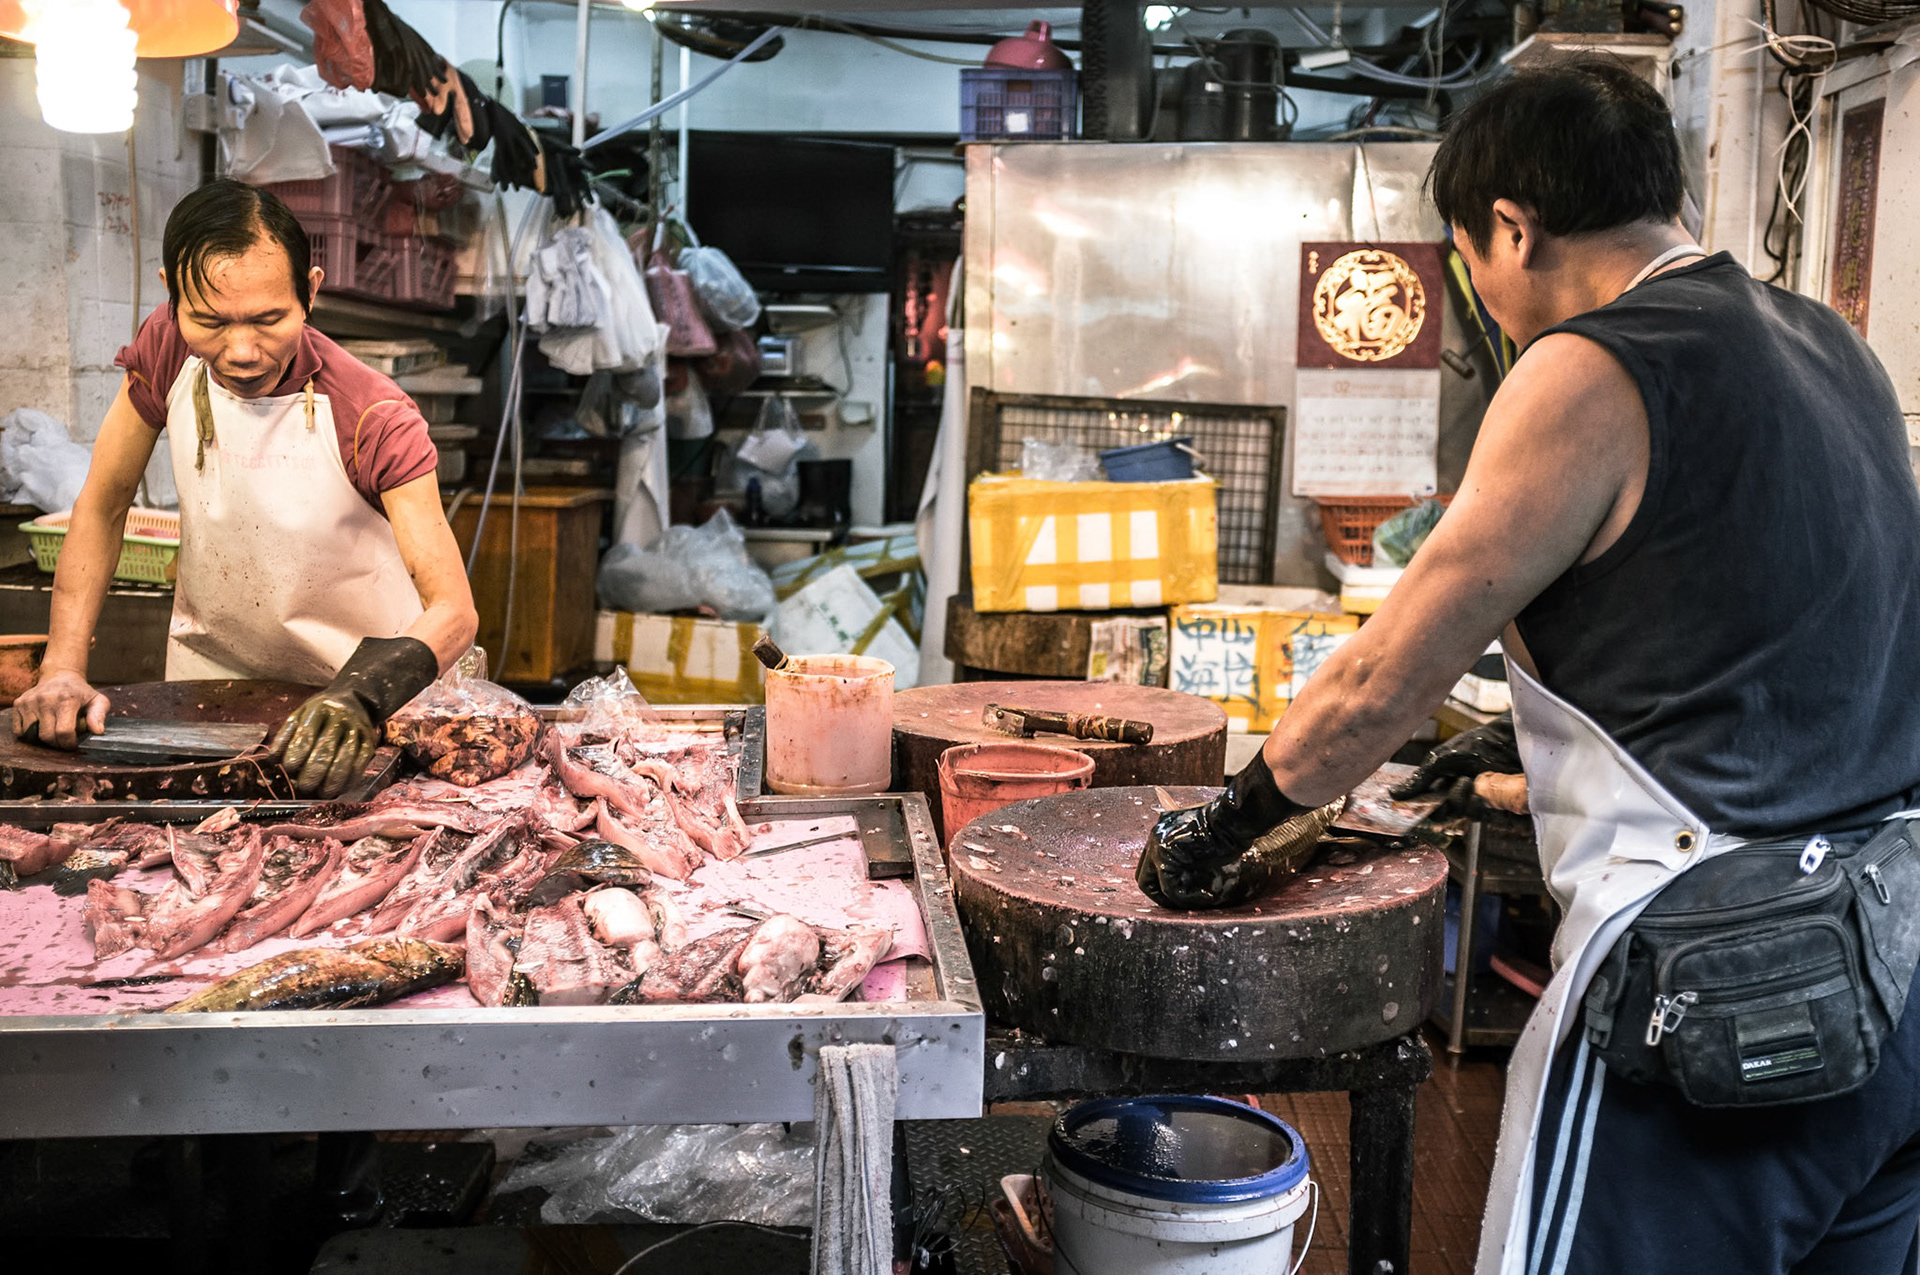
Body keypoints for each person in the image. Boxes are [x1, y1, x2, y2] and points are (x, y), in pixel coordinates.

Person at [1137, 58, 1920, 1273]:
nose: (1486, 297)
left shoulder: (1590, 366)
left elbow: (1381, 681)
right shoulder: (1829, 342)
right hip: (1894, 951)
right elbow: (1782, 627)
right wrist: (1547, 731)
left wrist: (1231, 823)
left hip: (1717, 974)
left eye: (1470, 260)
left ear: (1513, 226)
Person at [8, 180, 478, 797]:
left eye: (268, 319)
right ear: (172, 295)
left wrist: (362, 696)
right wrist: (62, 668)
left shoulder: (374, 415)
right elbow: (102, 505)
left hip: (359, 709)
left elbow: (454, 611)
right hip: (208, 692)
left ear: (310, 291)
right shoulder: (167, 346)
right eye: (208, 321)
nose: (241, 351)